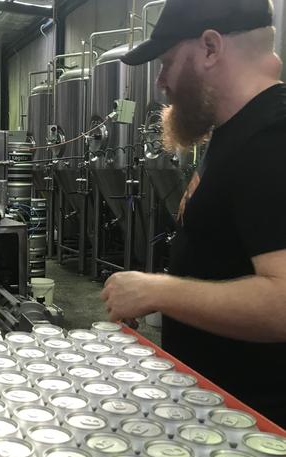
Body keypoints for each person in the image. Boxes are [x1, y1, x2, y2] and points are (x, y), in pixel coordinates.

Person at [100, 0, 286, 427]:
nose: (161, 82)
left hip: (257, 434)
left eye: (167, 63)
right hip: (214, 415)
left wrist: (160, 292)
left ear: (210, 48)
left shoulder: (273, 139)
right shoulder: (235, 132)